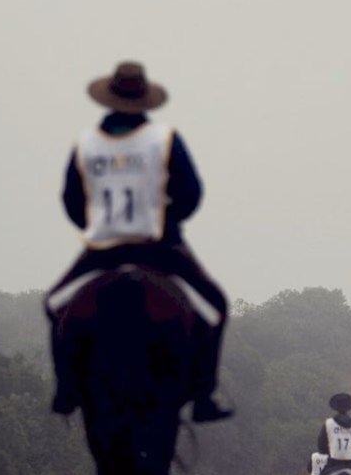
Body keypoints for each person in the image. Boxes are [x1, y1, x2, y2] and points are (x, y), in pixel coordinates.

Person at [44, 61, 233, 423]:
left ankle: (65, 390)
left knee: (53, 303)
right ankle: (205, 395)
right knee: (215, 306)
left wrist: (97, 223)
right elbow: (190, 193)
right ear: (145, 100)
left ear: (109, 98)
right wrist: (167, 219)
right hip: (158, 246)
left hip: (102, 249)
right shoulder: (164, 139)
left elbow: (71, 199)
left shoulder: (87, 144)